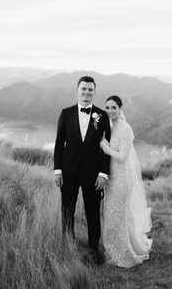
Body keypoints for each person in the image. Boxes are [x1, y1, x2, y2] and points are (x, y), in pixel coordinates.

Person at [54, 76, 111, 265]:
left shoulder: (102, 116)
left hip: (93, 174)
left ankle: (94, 250)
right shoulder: (66, 113)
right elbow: (58, 144)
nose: (86, 93)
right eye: (83, 89)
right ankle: (67, 246)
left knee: (93, 212)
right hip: (68, 171)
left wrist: (103, 174)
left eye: (90, 90)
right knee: (67, 210)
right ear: (77, 90)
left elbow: (106, 147)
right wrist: (58, 170)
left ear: (95, 92)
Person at [100, 95, 152, 268]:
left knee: (117, 217)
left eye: (113, 107)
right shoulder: (112, 126)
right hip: (112, 179)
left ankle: (123, 254)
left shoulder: (125, 129)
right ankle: (115, 249)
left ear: (120, 108)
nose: (109, 111)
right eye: (107, 107)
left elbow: (122, 157)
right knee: (114, 216)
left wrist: (106, 148)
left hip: (122, 180)